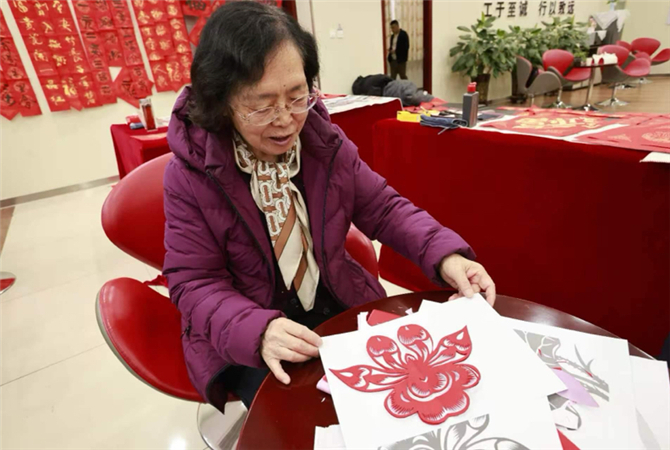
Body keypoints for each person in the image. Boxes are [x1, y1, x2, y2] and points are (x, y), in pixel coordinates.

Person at [163, 2, 495, 412]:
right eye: (262, 105)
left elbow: (383, 208)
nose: (286, 120)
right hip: (248, 330)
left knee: (401, 400)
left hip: (333, 299)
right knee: (303, 420)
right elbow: (194, 281)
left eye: (297, 96)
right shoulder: (191, 175)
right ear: (221, 101)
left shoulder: (323, 143)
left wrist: (446, 255)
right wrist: (258, 331)